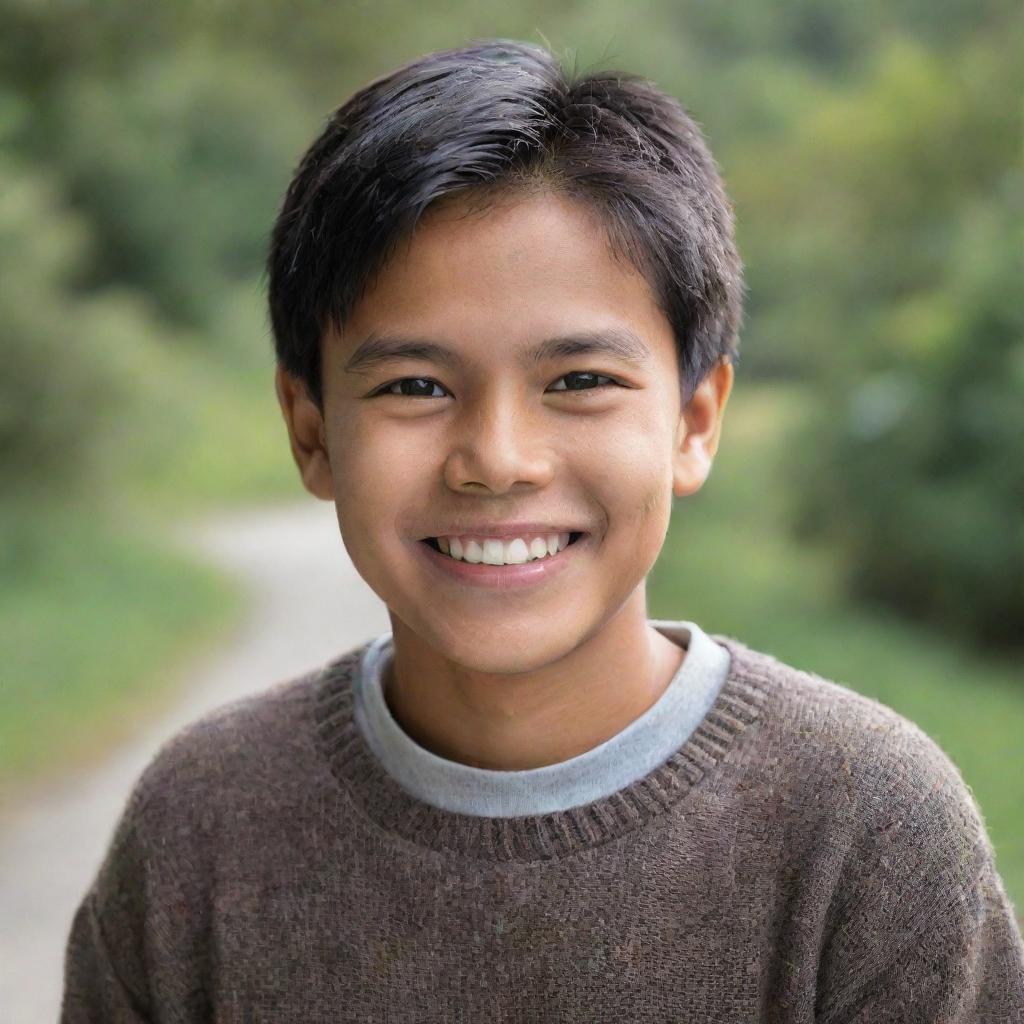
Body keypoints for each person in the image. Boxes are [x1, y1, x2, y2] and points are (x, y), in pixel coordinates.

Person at [61, 38, 1024, 1021]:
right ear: (311, 433)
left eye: (579, 382)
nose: (497, 457)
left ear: (693, 423)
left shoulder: (865, 830)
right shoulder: (203, 825)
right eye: (415, 386)